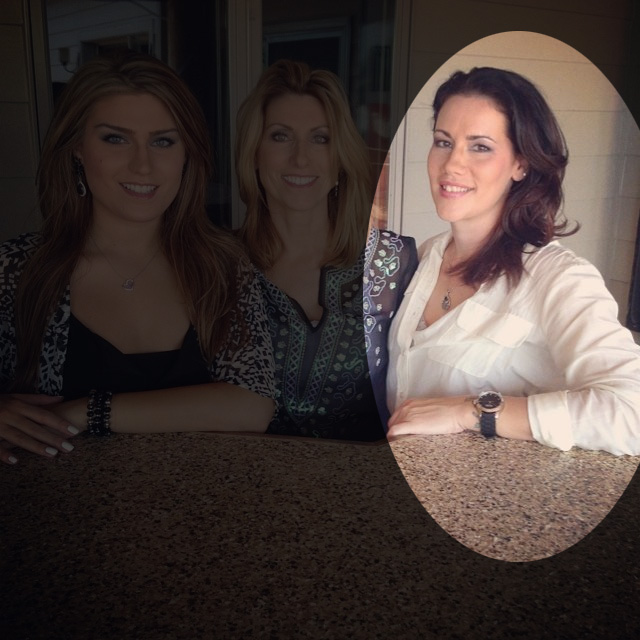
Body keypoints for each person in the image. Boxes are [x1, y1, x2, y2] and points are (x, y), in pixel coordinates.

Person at [0, 53, 276, 465]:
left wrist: (86, 411)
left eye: (163, 141)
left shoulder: (223, 266)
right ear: (76, 148)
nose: (143, 165)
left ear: (187, 154)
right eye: (115, 139)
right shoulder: (15, 270)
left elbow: (252, 405)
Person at [386, 66, 640, 455]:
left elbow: (631, 410)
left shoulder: (559, 278)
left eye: (480, 147)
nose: (451, 164)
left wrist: (472, 412)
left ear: (521, 163)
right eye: (443, 141)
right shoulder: (424, 256)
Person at [235, 60, 385, 440]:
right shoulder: (218, 266)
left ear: (341, 158)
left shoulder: (393, 263)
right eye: (280, 136)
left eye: (320, 139)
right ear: (254, 154)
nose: (300, 158)